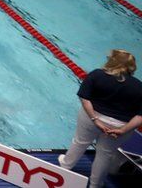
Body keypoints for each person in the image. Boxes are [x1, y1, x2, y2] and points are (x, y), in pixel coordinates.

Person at [58, 50, 142, 187]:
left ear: (112, 61)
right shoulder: (139, 87)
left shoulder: (97, 75)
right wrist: (123, 129)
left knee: (80, 142)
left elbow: (84, 98)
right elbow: (140, 116)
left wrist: (95, 119)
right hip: (119, 124)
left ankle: (65, 166)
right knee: (105, 154)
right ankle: (95, 184)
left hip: (93, 116)